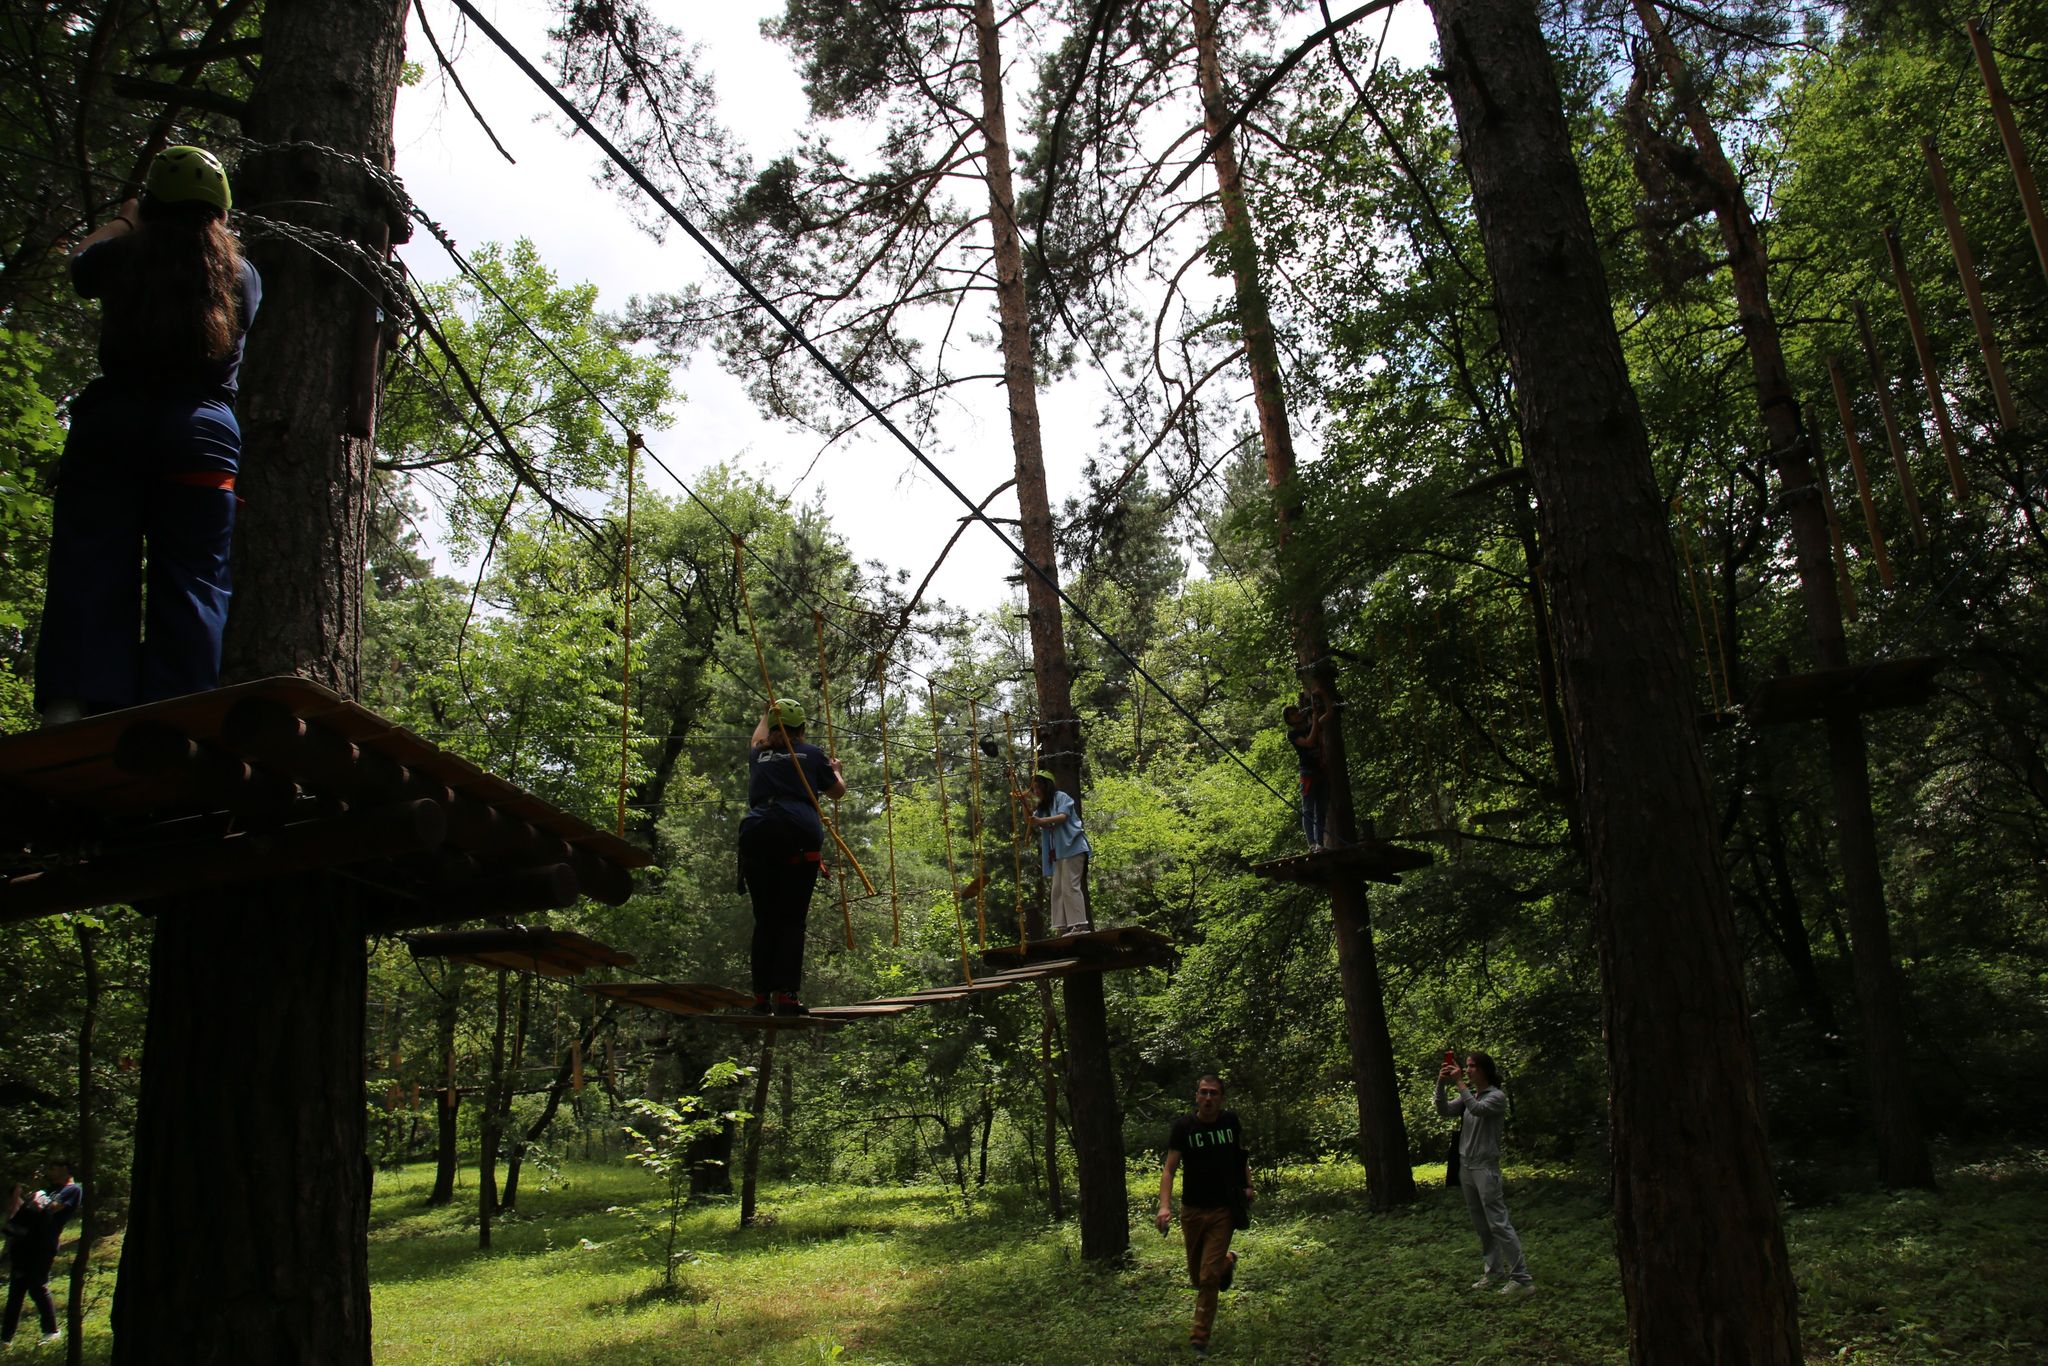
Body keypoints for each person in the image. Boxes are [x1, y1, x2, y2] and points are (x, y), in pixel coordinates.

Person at [34, 145, 262, 727]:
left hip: (113, 428)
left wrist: (124, 220)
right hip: (202, 437)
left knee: (90, 562)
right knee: (193, 580)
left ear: (153, 206)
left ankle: (72, 708)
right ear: (221, 212)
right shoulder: (240, 276)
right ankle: (176, 718)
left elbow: (78, 265)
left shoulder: (122, 255)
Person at [737, 698, 844, 1015]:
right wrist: (836, 772)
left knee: (765, 920)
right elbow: (837, 792)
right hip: (798, 835)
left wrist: (765, 714)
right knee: (791, 919)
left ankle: (760, 997)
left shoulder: (758, 754)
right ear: (802, 728)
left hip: (757, 834)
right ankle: (786, 996)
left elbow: (756, 739)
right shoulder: (811, 754)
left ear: (771, 727)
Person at [1156, 1075, 1252, 1356]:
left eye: (1213, 1093)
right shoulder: (1184, 1128)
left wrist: (1248, 1185)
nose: (1208, 1098)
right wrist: (1164, 1206)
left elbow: (1239, 1157)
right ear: (1196, 1096)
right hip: (1193, 1211)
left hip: (1223, 1209)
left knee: (1208, 1278)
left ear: (1221, 1098)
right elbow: (1169, 1170)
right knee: (1198, 1278)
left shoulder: (1230, 1122)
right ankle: (1227, 1261)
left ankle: (1199, 1339)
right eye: (1203, 1092)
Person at [1435, 1051, 1533, 1298]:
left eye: (1471, 1067)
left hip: (1485, 1168)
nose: (1467, 1070)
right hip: (1466, 1166)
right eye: (1466, 1067)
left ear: (1484, 1069)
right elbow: (1443, 1109)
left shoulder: (1496, 1097)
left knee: (1498, 1223)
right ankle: (1494, 1271)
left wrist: (1459, 1082)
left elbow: (1477, 1110)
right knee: (1481, 1224)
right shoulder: (1472, 1096)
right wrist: (1441, 1083)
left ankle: (1522, 1280)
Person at [3, 1161, 80, 1348]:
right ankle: (5, 1338)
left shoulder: (73, 1189)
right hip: (24, 1243)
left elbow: (52, 1207)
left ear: (65, 1169)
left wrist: (39, 1198)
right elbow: (24, 1209)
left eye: (54, 1168)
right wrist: (21, 1195)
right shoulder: (49, 1188)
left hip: (44, 1244)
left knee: (37, 1285)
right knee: (16, 1290)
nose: (50, 1172)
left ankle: (51, 1331)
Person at [1018, 770, 1092, 935]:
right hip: (1058, 852)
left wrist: (1041, 820)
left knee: (1070, 886)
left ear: (1046, 786)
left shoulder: (1061, 797)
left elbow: (1062, 817)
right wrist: (1024, 803)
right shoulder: (1044, 807)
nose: (1036, 792)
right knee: (1058, 889)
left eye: (1038, 788)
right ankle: (1062, 926)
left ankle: (1080, 924)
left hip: (1073, 847)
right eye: (1034, 789)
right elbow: (1030, 819)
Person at [1283, 698, 1328, 851]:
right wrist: (1314, 720)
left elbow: (1328, 716)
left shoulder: (1310, 727)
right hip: (1307, 774)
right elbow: (1309, 742)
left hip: (1321, 772)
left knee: (1321, 810)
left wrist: (1321, 701)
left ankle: (1320, 844)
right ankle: (1312, 844)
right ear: (1289, 721)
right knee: (1308, 810)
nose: (1296, 714)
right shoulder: (1293, 734)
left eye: (1296, 711)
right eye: (1292, 714)